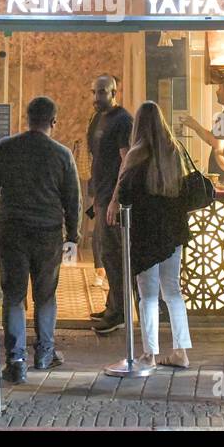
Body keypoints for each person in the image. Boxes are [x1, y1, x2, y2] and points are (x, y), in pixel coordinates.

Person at [0, 96, 81, 384]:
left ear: (27, 119)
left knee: (13, 296)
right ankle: (45, 354)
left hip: (11, 231)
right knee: (45, 295)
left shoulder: (6, 147)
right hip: (48, 232)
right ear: (53, 121)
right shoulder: (62, 155)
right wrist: (72, 235)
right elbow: (72, 199)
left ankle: (16, 361)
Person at [106, 101, 192, 368]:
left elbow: (126, 193)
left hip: (145, 232)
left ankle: (149, 354)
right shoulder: (175, 150)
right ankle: (181, 352)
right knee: (173, 292)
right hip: (173, 231)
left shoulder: (136, 154)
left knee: (148, 295)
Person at [85, 74, 133, 335]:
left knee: (114, 256)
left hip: (114, 198)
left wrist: (116, 197)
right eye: (94, 92)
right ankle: (112, 306)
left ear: (114, 91)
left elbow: (126, 161)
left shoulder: (123, 120)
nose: (96, 98)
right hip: (102, 195)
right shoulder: (97, 118)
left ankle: (119, 312)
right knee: (106, 253)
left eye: (102, 92)